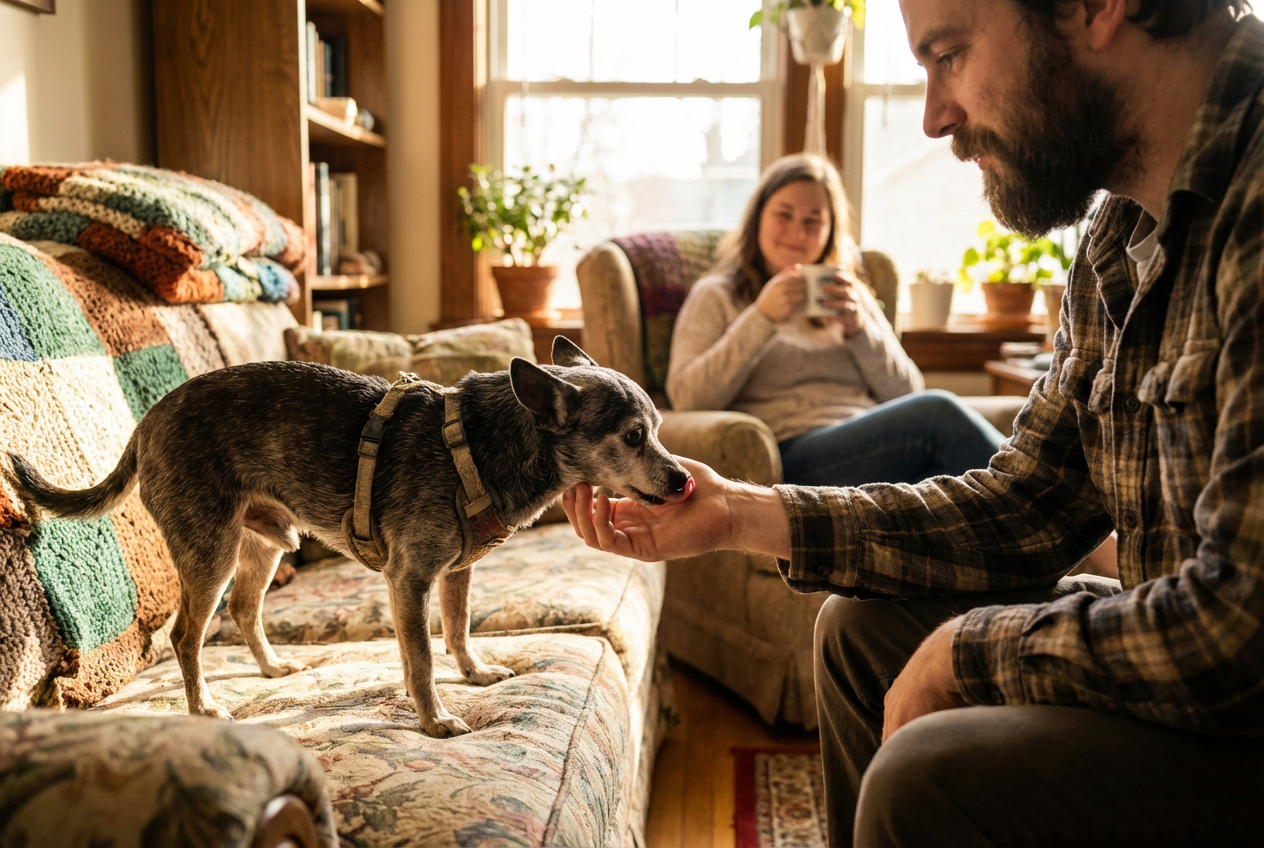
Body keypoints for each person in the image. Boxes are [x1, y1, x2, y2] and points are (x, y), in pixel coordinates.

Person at [564, 0, 1264, 844]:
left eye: (949, 54)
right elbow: (1026, 502)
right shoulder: (1117, 239)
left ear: (1093, 7)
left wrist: (968, 650)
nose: (934, 117)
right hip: (796, 443)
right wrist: (740, 512)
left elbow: (1240, 628)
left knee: (923, 775)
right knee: (861, 633)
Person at [665, 153, 1006, 487]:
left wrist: (860, 330)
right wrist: (761, 317)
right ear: (757, 219)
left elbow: (906, 392)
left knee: (948, 484)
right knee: (938, 413)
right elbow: (689, 398)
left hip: (876, 442)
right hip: (792, 451)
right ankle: (1038, 503)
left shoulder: (849, 292)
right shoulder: (718, 294)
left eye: (813, 222)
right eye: (784, 215)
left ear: (830, 231)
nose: (798, 233)